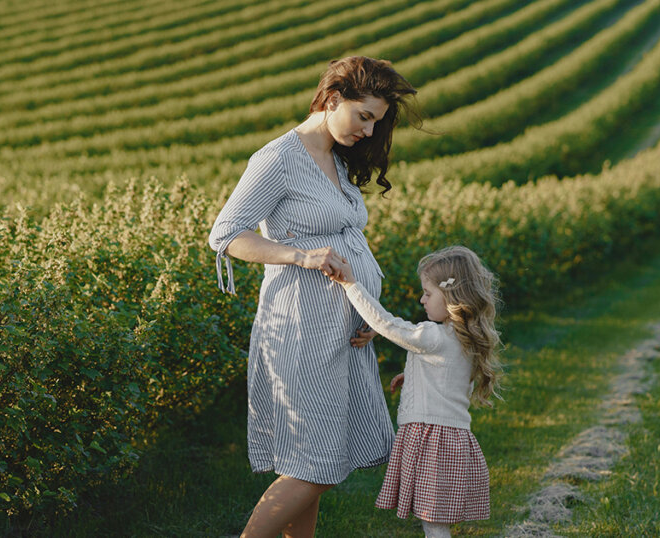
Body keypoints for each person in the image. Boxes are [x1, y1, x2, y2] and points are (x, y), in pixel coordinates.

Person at [208, 56, 422, 537]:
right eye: (363, 116)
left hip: (342, 335)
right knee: (315, 465)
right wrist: (300, 256)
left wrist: (369, 312)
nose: (369, 131)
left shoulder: (337, 161)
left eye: (377, 122)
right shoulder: (278, 159)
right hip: (301, 331)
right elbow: (226, 235)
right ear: (331, 98)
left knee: (317, 458)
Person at [328, 245, 503, 538]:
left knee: (433, 523)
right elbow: (449, 378)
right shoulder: (467, 338)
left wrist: (350, 284)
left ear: (452, 297)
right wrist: (414, 375)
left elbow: (388, 324)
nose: (422, 300)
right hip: (453, 439)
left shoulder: (434, 336)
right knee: (435, 521)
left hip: (431, 439)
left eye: (428, 293)